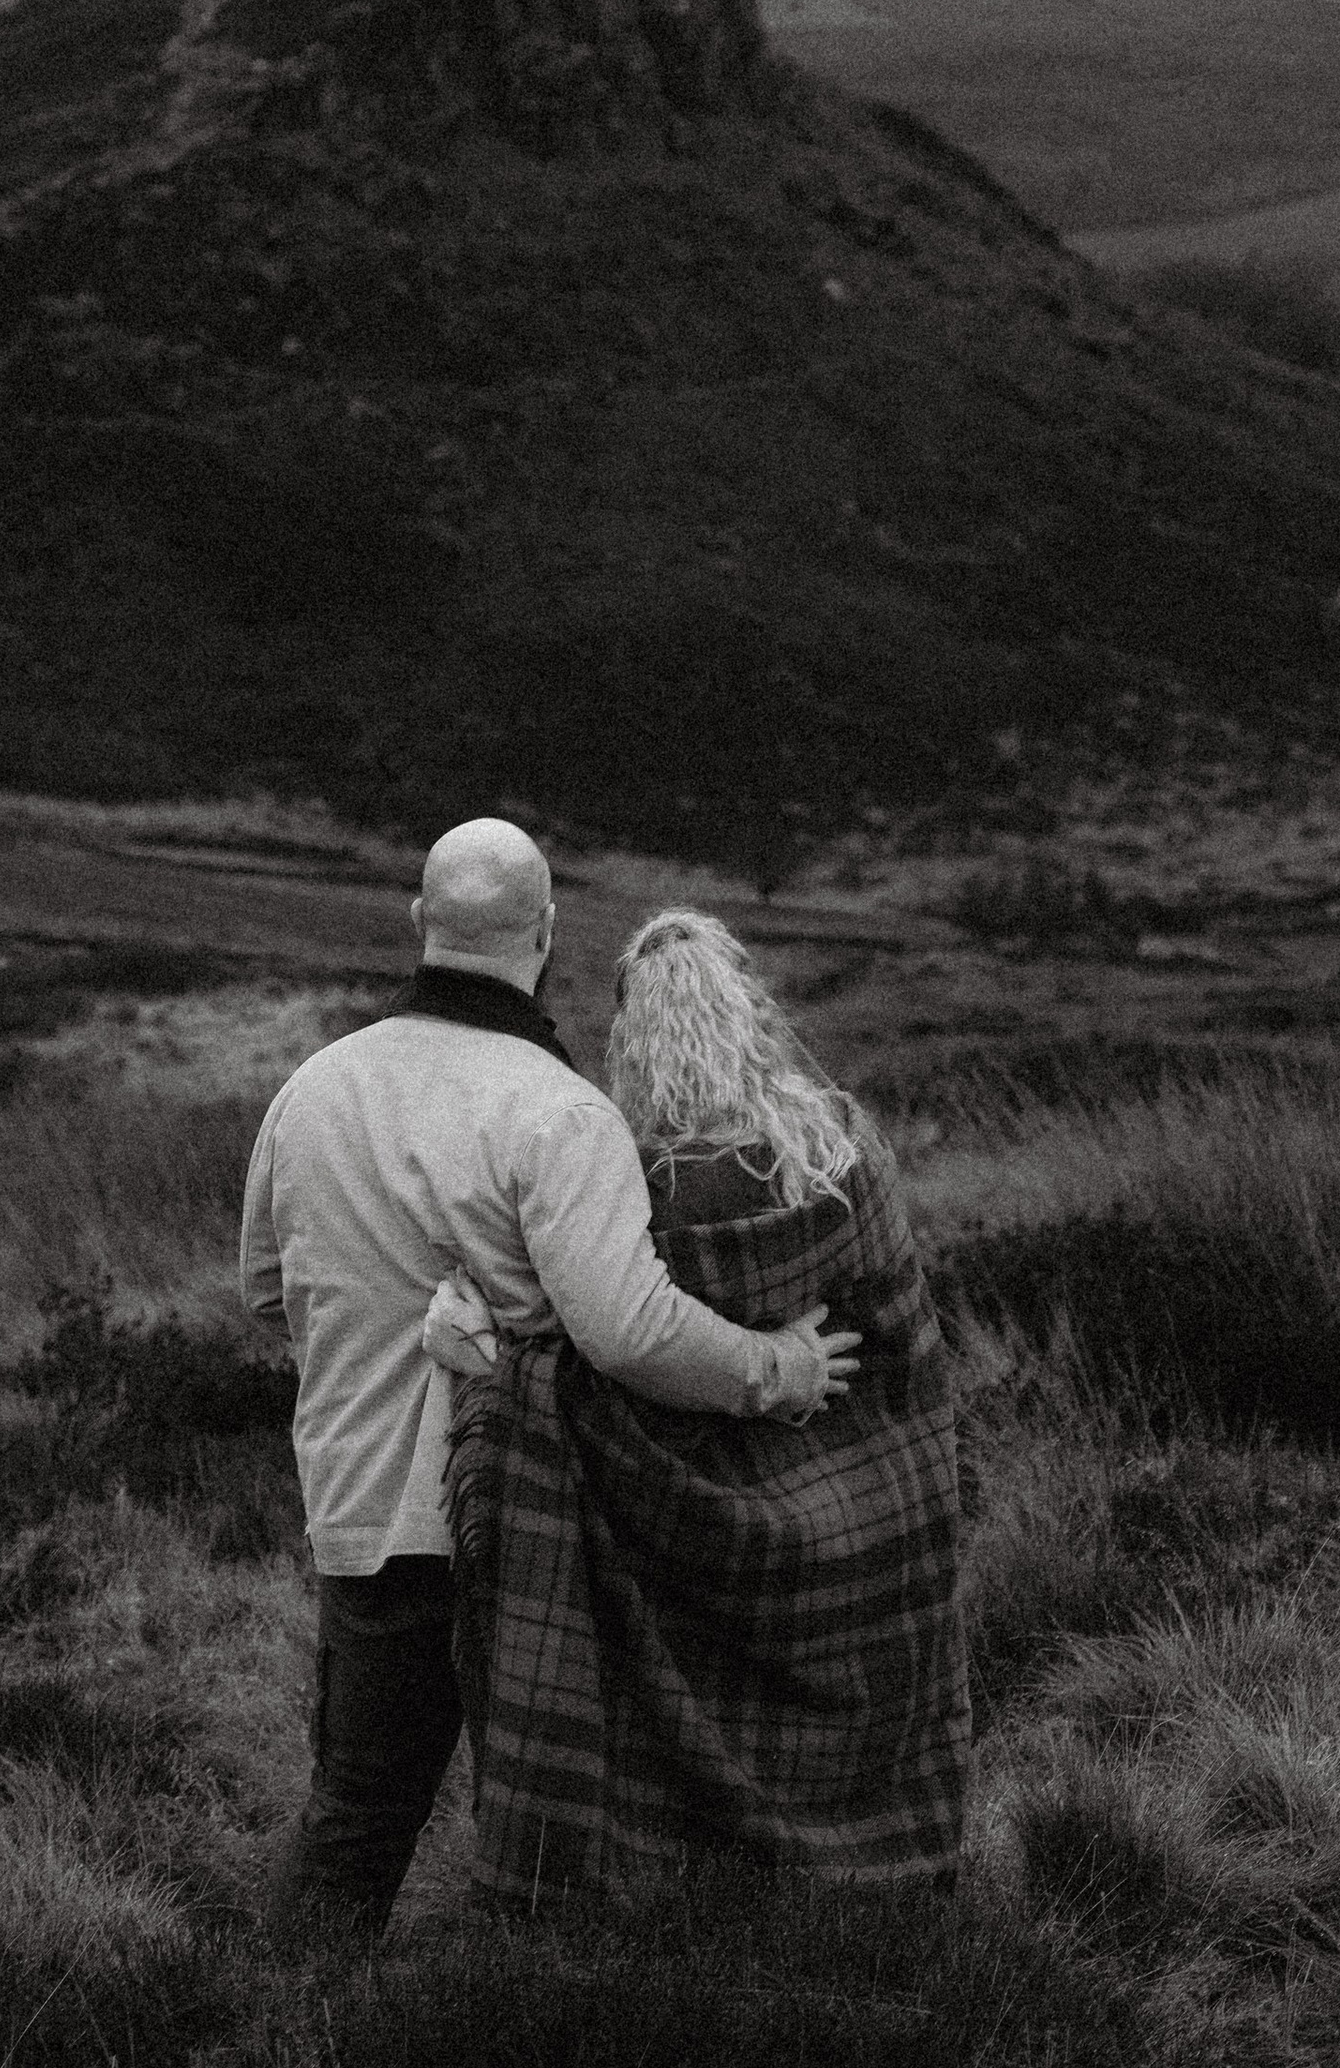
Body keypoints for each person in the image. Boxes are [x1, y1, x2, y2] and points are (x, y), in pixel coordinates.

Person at [240, 818, 860, 1947]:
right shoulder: (559, 1111)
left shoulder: (310, 1091)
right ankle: (534, 2055)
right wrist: (782, 1369)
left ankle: (284, 2063)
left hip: (360, 1509)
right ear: (549, 932)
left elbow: (268, 1292)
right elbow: (629, 1330)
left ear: (419, 921)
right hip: (529, 1526)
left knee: (358, 1816)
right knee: (562, 1830)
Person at [434, 905, 970, 1903]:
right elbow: (905, 1338)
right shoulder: (842, 1149)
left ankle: (683, 1878)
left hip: (686, 1532)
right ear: (746, 1010)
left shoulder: (625, 1183)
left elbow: (600, 1343)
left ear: (632, 1034)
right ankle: (885, 1869)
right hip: (855, 1514)